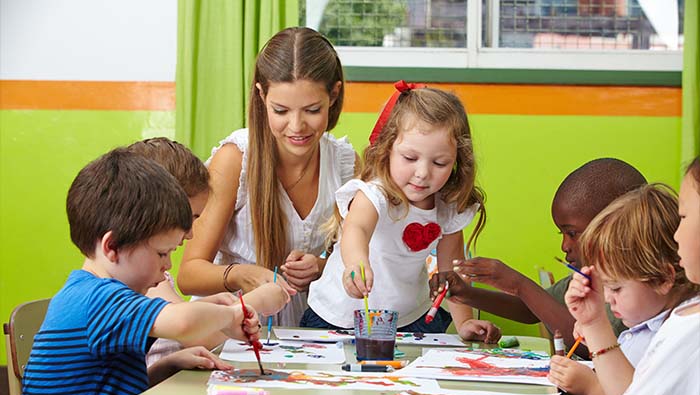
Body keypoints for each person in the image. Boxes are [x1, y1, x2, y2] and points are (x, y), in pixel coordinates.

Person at [20, 149, 264, 395]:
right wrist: (231, 316)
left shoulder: (90, 293)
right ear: (112, 247)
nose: (168, 266)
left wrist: (166, 366)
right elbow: (184, 323)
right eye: (162, 253)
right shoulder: (100, 299)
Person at [178, 27, 357, 331]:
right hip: (232, 327)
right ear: (261, 96)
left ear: (334, 94)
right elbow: (188, 275)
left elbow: (356, 259)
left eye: (312, 110)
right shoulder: (236, 160)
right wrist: (240, 275)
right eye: (281, 110)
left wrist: (322, 268)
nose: (297, 126)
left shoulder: (343, 163)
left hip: (307, 332)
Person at [127, 137, 294, 395]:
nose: (191, 233)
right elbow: (190, 331)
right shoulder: (143, 276)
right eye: (189, 218)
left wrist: (216, 306)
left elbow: (175, 318)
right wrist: (251, 302)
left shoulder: (150, 271)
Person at [304, 81, 501, 342]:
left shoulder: (446, 207)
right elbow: (357, 229)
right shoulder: (375, 193)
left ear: (457, 162)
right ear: (387, 149)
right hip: (339, 317)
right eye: (410, 158)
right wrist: (356, 264)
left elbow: (450, 274)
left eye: (440, 163)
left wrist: (464, 321)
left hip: (408, 320)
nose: (422, 173)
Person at [561, 156, 700, 395]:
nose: (677, 233)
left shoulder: (690, 331)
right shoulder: (684, 319)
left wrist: (589, 385)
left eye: (685, 217)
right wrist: (594, 322)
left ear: (663, 279)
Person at [448, 158, 647, 354]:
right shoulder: (586, 277)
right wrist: (467, 294)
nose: (565, 246)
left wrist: (519, 284)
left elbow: (591, 344)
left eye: (571, 234)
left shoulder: (634, 291)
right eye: (562, 234)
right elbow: (532, 310)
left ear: (612, 227)